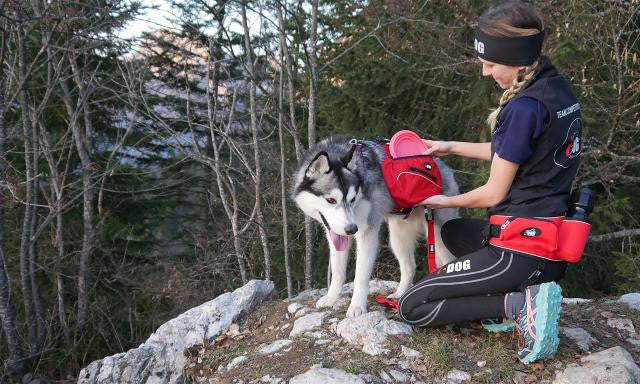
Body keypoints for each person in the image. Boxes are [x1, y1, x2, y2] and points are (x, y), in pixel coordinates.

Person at [397, 0, 583, 364]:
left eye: (491, 63)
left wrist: (439, 201)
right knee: (454, 235)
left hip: (521, 247)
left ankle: (518, 304)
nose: (485, 72)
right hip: (551, 240)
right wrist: (450, 148)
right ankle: (523, 288)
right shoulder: (555, 88)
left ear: (516, 60)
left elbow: (494, 192)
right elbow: (517, 151)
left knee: (413, 306)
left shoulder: (524, 108)